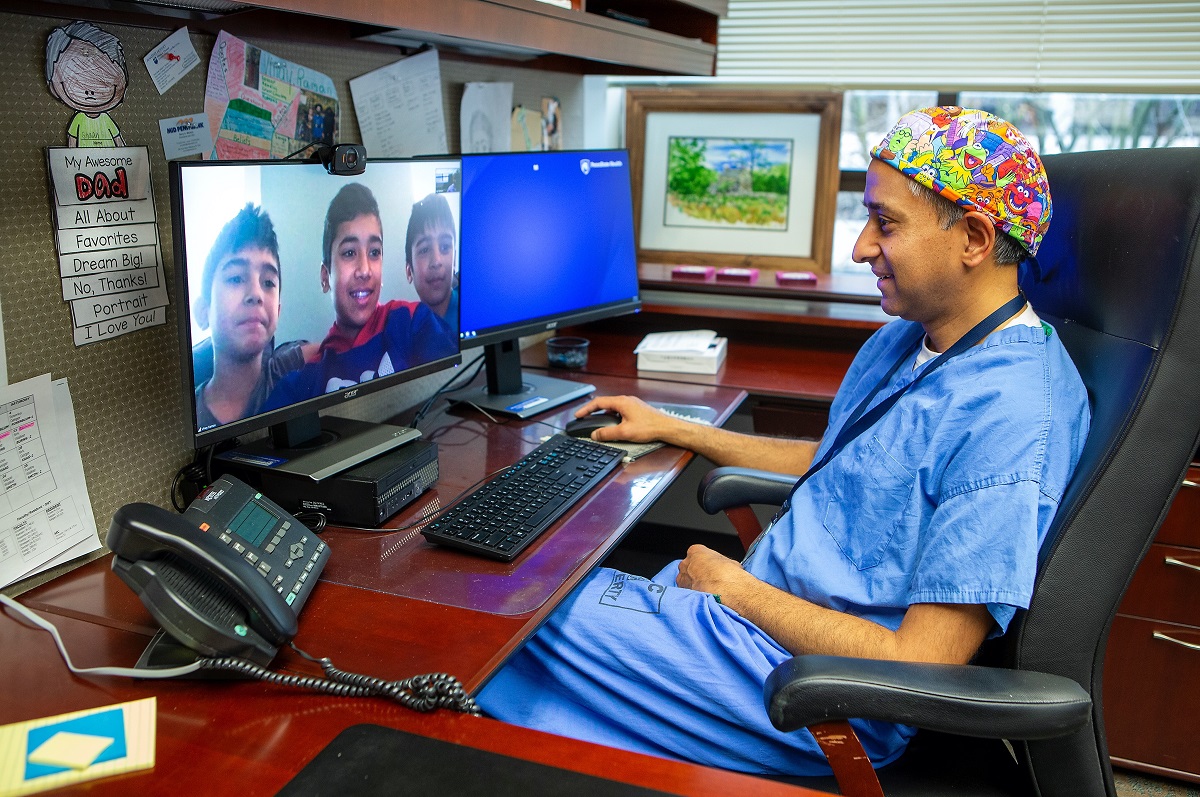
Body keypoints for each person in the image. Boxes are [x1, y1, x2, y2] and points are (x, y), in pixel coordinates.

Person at [474, 107, 1092, 776]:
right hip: (750, 620)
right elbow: (844, 466)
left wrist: (735, 588)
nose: (860, 247)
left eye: (886, 224)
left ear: (974, 237)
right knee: (525, 609)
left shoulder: (1012, 413)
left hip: (814, 690)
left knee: (503, 616)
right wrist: (675, 427)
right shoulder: (914, 340)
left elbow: (923, 660)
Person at [262, 183, 455, 407]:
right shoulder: (308, 379)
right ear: (326, 277)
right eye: (349, 253)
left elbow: (453, 390)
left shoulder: (411, 322)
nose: (364, 270)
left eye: (374, 252)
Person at [191, 204, 305, 430]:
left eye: (268, 283)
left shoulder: (294, 375)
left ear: (278, 312)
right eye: (235, 279)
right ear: (203, 311)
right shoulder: (187, 416)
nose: (256, 294)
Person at [45, 21, 128, 147]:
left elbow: (118, 139)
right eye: (77, 84)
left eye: (103, 84)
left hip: (110, 160)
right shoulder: (79, 119)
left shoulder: (105, 119)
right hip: (84, 161)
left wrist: (126, 154)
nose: (90, 92)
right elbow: (72, 141)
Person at [405, 193, 458, 322]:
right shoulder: (408, 331)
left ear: (455, 260)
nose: (436, 261)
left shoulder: (471, 312)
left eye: (445, 247)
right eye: (424, 250)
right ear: (409, 271)